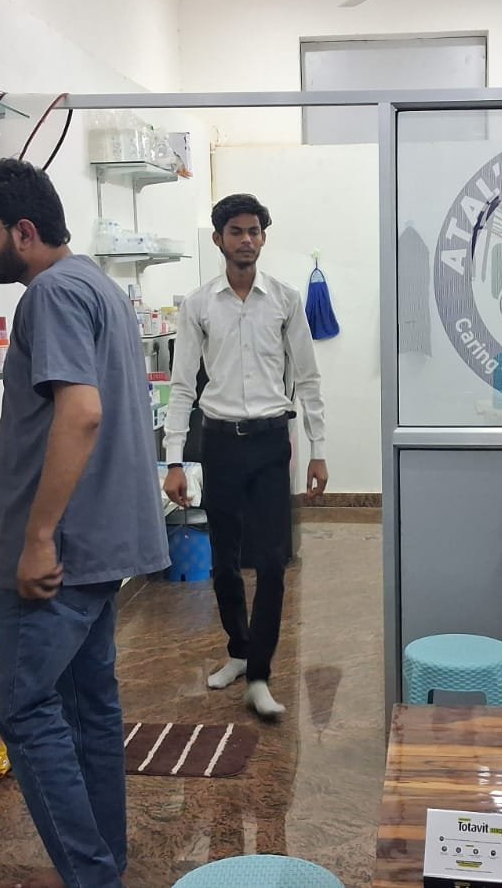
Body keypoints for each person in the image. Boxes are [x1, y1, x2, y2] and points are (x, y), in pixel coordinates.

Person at [0, 160, 168, 888]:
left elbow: (81, 412)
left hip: (62, 552)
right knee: (88, 709)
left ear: (23, 230)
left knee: (22, 710)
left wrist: (39, 535)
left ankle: (89, 875)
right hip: (104, 544)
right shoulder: (97, 284)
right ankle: (104, 865)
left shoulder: (48, 294)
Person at [163, 193, 327, 721]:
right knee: (225, 562)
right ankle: (239, 650)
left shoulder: (284, 299)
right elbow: (182, 384)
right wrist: (172, 460)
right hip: (219, 443)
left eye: (255, 231)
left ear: (263, 237)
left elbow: (307, 377)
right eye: (236, 231)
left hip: (270, 441)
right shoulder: (198, 304)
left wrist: (318, 451)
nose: (247, 240)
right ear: (219, 239)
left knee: (273, 562)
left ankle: (260, 674)